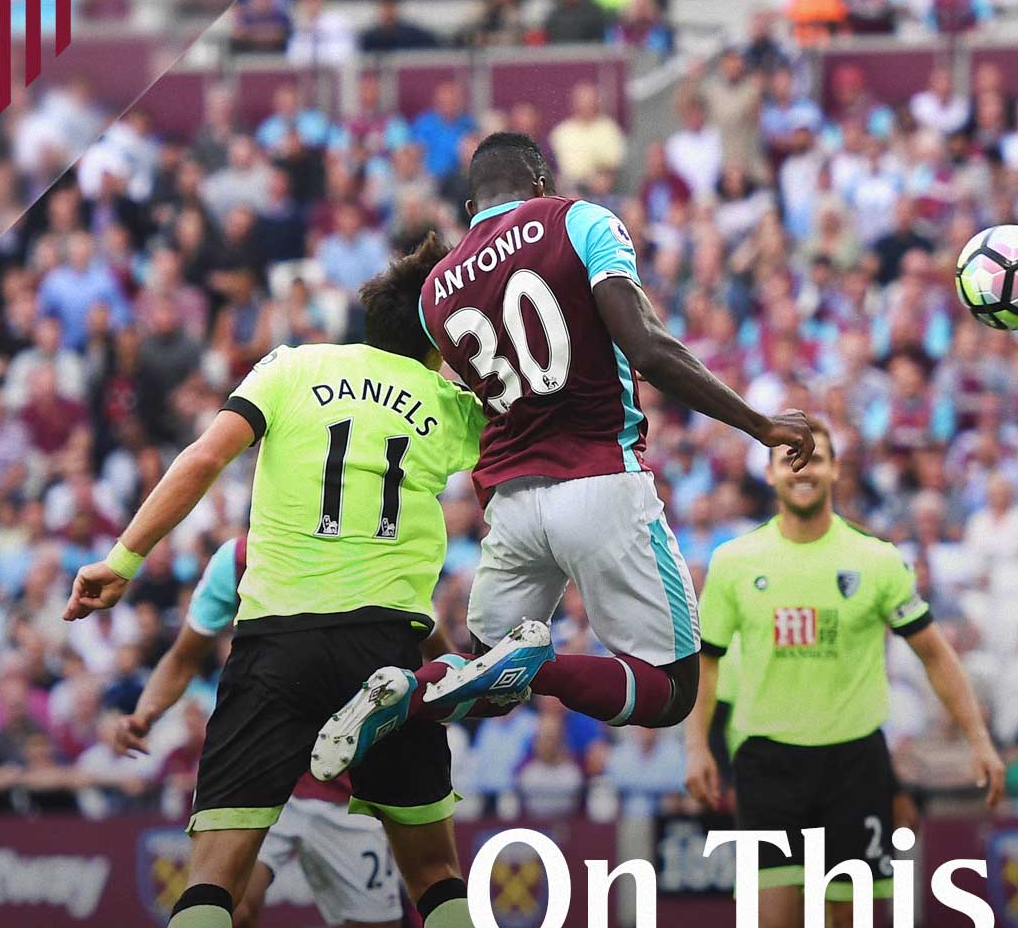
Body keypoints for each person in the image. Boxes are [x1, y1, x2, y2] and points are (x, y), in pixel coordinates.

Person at [65, 239, 514, 928]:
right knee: (435, 876)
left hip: (277, 643)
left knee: (213, 875)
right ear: (436, 336)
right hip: (388, 645)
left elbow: (205, 457)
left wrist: (123, 560)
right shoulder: (451, 407)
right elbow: (529, 461)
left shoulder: (287, 367)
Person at [314, 131, 813, 777]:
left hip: (511, 504)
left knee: (483, 681)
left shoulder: (436, 290)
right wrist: (758, 423)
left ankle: (405, 691)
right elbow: (647, 347)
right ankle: (541, 667)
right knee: (671, 691)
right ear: (541, 182)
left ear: (470, 208)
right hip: (600, 479)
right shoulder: (580, 221)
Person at [682, 425, 1005, 928]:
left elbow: (934, 652)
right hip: (766, 760)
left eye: (816, 459)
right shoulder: (734, 561)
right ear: (770, 473)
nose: (802, 469)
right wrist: (696, 746)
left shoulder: (876, 560)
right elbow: (706, 663)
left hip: (854, 762)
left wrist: (979, 739)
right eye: (790, 459)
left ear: (836, 470)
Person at [113, 537, 419, 928]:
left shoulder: (369, 547)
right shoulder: (238, 559)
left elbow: (425, 649)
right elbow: (185, 655)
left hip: (347, 788)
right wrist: (145, 712)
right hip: (262, 774)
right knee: (230, 917)